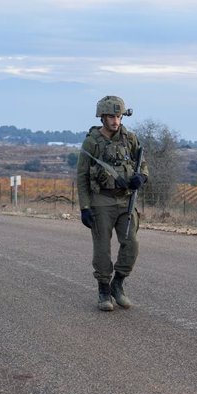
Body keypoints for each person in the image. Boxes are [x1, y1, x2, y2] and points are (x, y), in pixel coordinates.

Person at [77, 95, 149, 311]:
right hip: (101, 200)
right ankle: (103, 290)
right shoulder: (92, 142)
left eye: (118, 116)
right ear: (102, 117)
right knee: (102, 249)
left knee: (131, 245)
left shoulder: (131, 139)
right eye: (111, 116)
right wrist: (85, 207)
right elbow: (81, 177)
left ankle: (118, 283)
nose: (115, 121)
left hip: (126, 199)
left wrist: (142, 177)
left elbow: (142, 164)